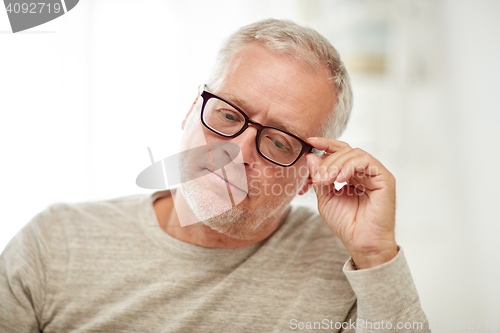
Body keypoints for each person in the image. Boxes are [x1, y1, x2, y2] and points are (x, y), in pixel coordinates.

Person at [0, 19, 431, 332]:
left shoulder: (353, 270)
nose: (237, 153)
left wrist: (376, 256)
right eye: (227, 115)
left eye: (280, 142)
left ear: (307, 175)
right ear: (191, 111)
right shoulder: (53, 242)